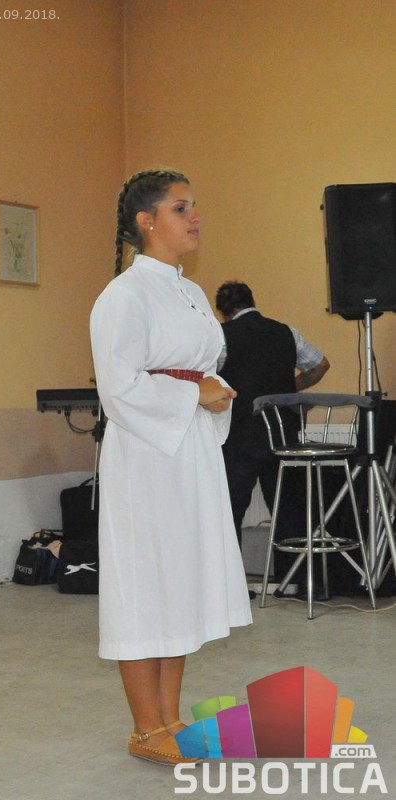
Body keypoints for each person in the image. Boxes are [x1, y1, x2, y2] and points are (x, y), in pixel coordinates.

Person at [90, 170, 252, 766]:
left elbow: (196, 366)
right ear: (147, 221)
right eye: (181, 208)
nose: (195, 217)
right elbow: (119, 386)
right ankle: (144, 728)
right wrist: (192, 394)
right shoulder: (124, 296)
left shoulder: (190, 291)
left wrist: (214, 390)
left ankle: (171, 718)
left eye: (194, 206)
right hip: (146, 456)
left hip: (189, 451)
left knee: (178, 581)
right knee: (145, 583)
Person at [215, 281, 330, 581]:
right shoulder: (286, 332)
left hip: (241, 432)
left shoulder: (222, 336)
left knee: (229, 508)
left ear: (223, 313)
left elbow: (209, 378)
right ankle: (296, 580)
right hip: (283, 431)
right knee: (287, 505)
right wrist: (289, 390)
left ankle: (231, 584)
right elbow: (320, 364)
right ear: (253, 301)